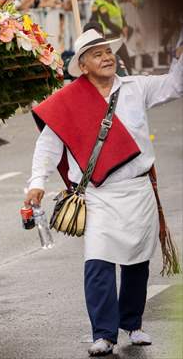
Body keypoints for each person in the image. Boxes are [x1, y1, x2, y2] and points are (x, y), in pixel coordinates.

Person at [25, 29, 183, 357]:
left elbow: (175, 85)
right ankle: (104, 334)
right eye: (97, 54)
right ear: (83, 67)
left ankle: (133, 324)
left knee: (138, 261)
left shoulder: (136, 87)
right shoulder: (69, 100)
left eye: (107, 51)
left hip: (138, 190)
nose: (107, 57)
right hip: (98, 193)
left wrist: (180, 55)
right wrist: (36, 183)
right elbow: (48, 145)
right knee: (98, 261)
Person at [90, 0, 132, 73]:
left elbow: (121, 16)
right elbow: (106, 21)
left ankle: (130, 77)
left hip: (116, 34)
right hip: (107, 36)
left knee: (125, 59)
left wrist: (125, 26)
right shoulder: (99, 3)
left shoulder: (114, 2)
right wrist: (121, 30)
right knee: (110, 60)